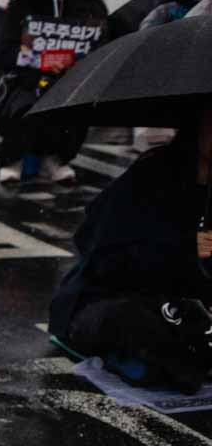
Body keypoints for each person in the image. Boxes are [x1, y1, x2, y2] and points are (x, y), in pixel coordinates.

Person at [47, 105, 212, 392]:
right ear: (197, 127)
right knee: (145, 330)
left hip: (186, 304)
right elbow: (96, 246)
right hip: (111, 299)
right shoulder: (151, 175)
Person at [0, 0, 105, 184]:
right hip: (27, 77)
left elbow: (99, 45)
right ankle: (13, 158)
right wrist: (39, 58)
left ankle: (58, 157)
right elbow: (4, 51)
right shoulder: (24, 3)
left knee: (75, 109)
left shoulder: (91, 5)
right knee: (25, 105)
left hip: (72, 79)